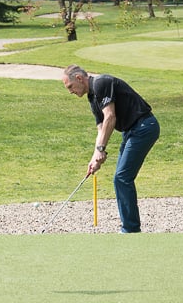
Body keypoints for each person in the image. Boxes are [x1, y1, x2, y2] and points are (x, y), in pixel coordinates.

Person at [61, 65, 160, 233]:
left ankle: (130, 230)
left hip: (144, 127)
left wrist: (101, 149)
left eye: (70, 86)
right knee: (120, 178)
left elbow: (110, 117)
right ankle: (130, 228)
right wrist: (95, 157)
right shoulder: (92, 98)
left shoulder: (101, 83)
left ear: (79, 78)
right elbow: (101, 128)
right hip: (131, 131)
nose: (70, 91)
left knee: (122, 177)